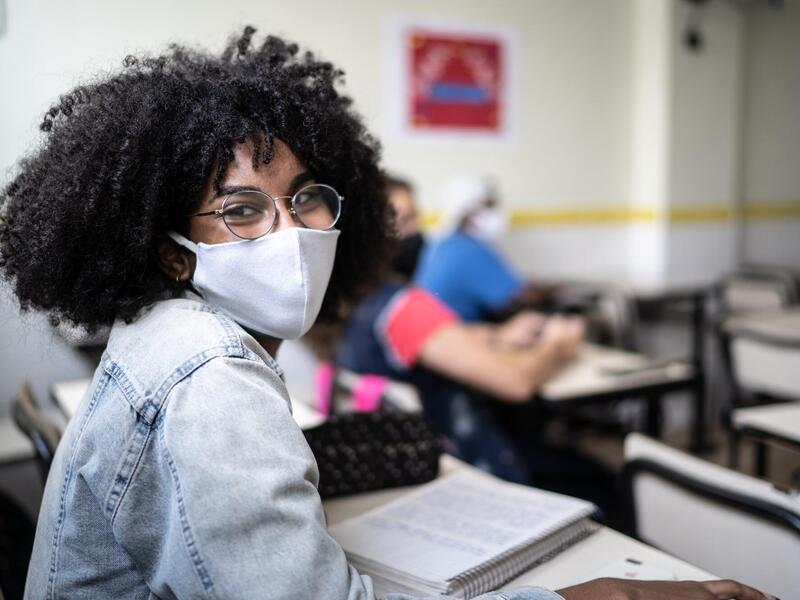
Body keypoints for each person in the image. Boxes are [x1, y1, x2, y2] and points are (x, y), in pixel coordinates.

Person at [0, 27, 772, 600]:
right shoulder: (213, 375)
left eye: (303, 197)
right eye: (241, 210)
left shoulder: (169, 333)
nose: (292, 233)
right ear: (171, 250)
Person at [339, 178, 616, 512]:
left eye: (415, 218)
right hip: (472, 470)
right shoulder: (407, 307)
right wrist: (558, 344)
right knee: (602, 479)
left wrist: (497, 335)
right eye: (403, 221)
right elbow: (517, 384)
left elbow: (437, 341)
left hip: (410, 464)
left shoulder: (357, 302)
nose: (416, 233)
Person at [414, 175, 554, 322]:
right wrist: (550, 290)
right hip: (458, 338)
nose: (496, 213)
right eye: (488, 206)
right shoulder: (468, 250)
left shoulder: (443, 245)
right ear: (466, 215)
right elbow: (520, 298)